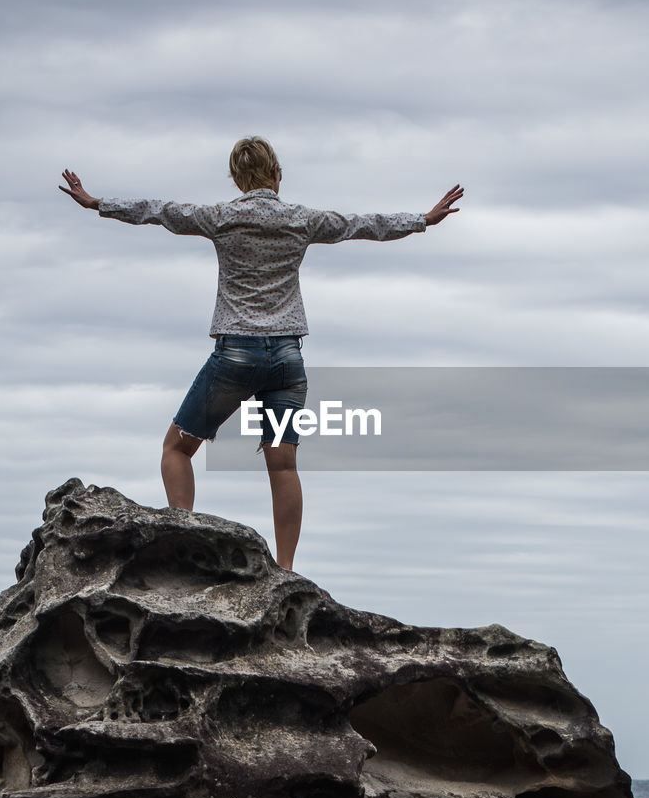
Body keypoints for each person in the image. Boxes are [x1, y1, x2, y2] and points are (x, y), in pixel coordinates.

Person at [59, 137, 463, 570]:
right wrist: (421, 219)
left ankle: (183, 544)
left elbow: (159, 211)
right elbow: (362, 225)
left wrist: (97, 203)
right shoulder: (302, 220)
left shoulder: (220, 217)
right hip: (288, 361)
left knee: (176, 450)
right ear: (277, 174)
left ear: (236, 178)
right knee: (283, 466)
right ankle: (286, 571)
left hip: (235, 356)